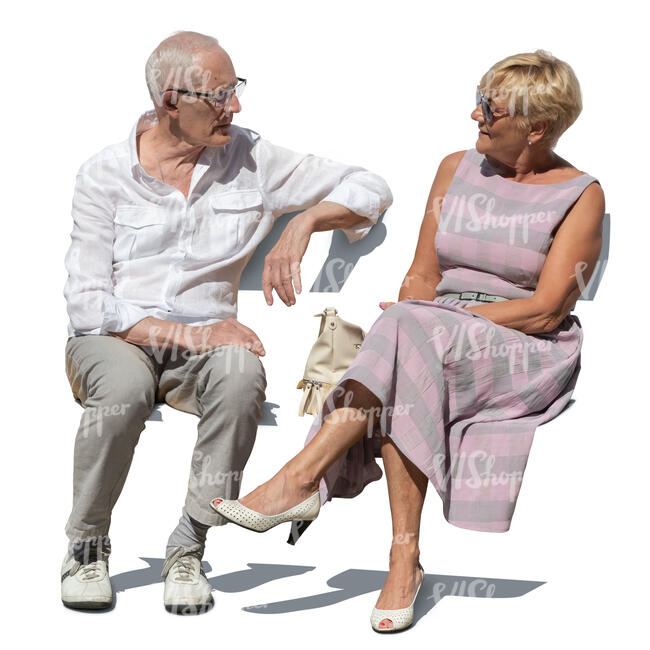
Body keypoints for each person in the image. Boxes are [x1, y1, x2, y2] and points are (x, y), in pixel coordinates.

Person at [211, 49, 606, 632]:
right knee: (410, 345)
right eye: (479, 99)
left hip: (523, 346)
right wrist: (424, 314)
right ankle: (404, 560)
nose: (475, 116)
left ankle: (301, 478)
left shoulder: (581, 193)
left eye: (490, 108)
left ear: (536, 127)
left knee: (410, 336)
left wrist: (438, 321)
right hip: (433, 327)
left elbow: (547, 309)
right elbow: (422, 273)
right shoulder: (454, 168)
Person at [61, 30, 392, 613]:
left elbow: (372, 187)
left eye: (234, 89)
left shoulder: (250, 157)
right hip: (118, 337)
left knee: (240, 375)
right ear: (171, 103)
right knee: (125, 387)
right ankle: (86, 547)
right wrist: (191, 334)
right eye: (218, 95)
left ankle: (188, 545)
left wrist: (306, 219)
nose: (234, 107)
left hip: (212, 347)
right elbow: (88, 303)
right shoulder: (104, 174)